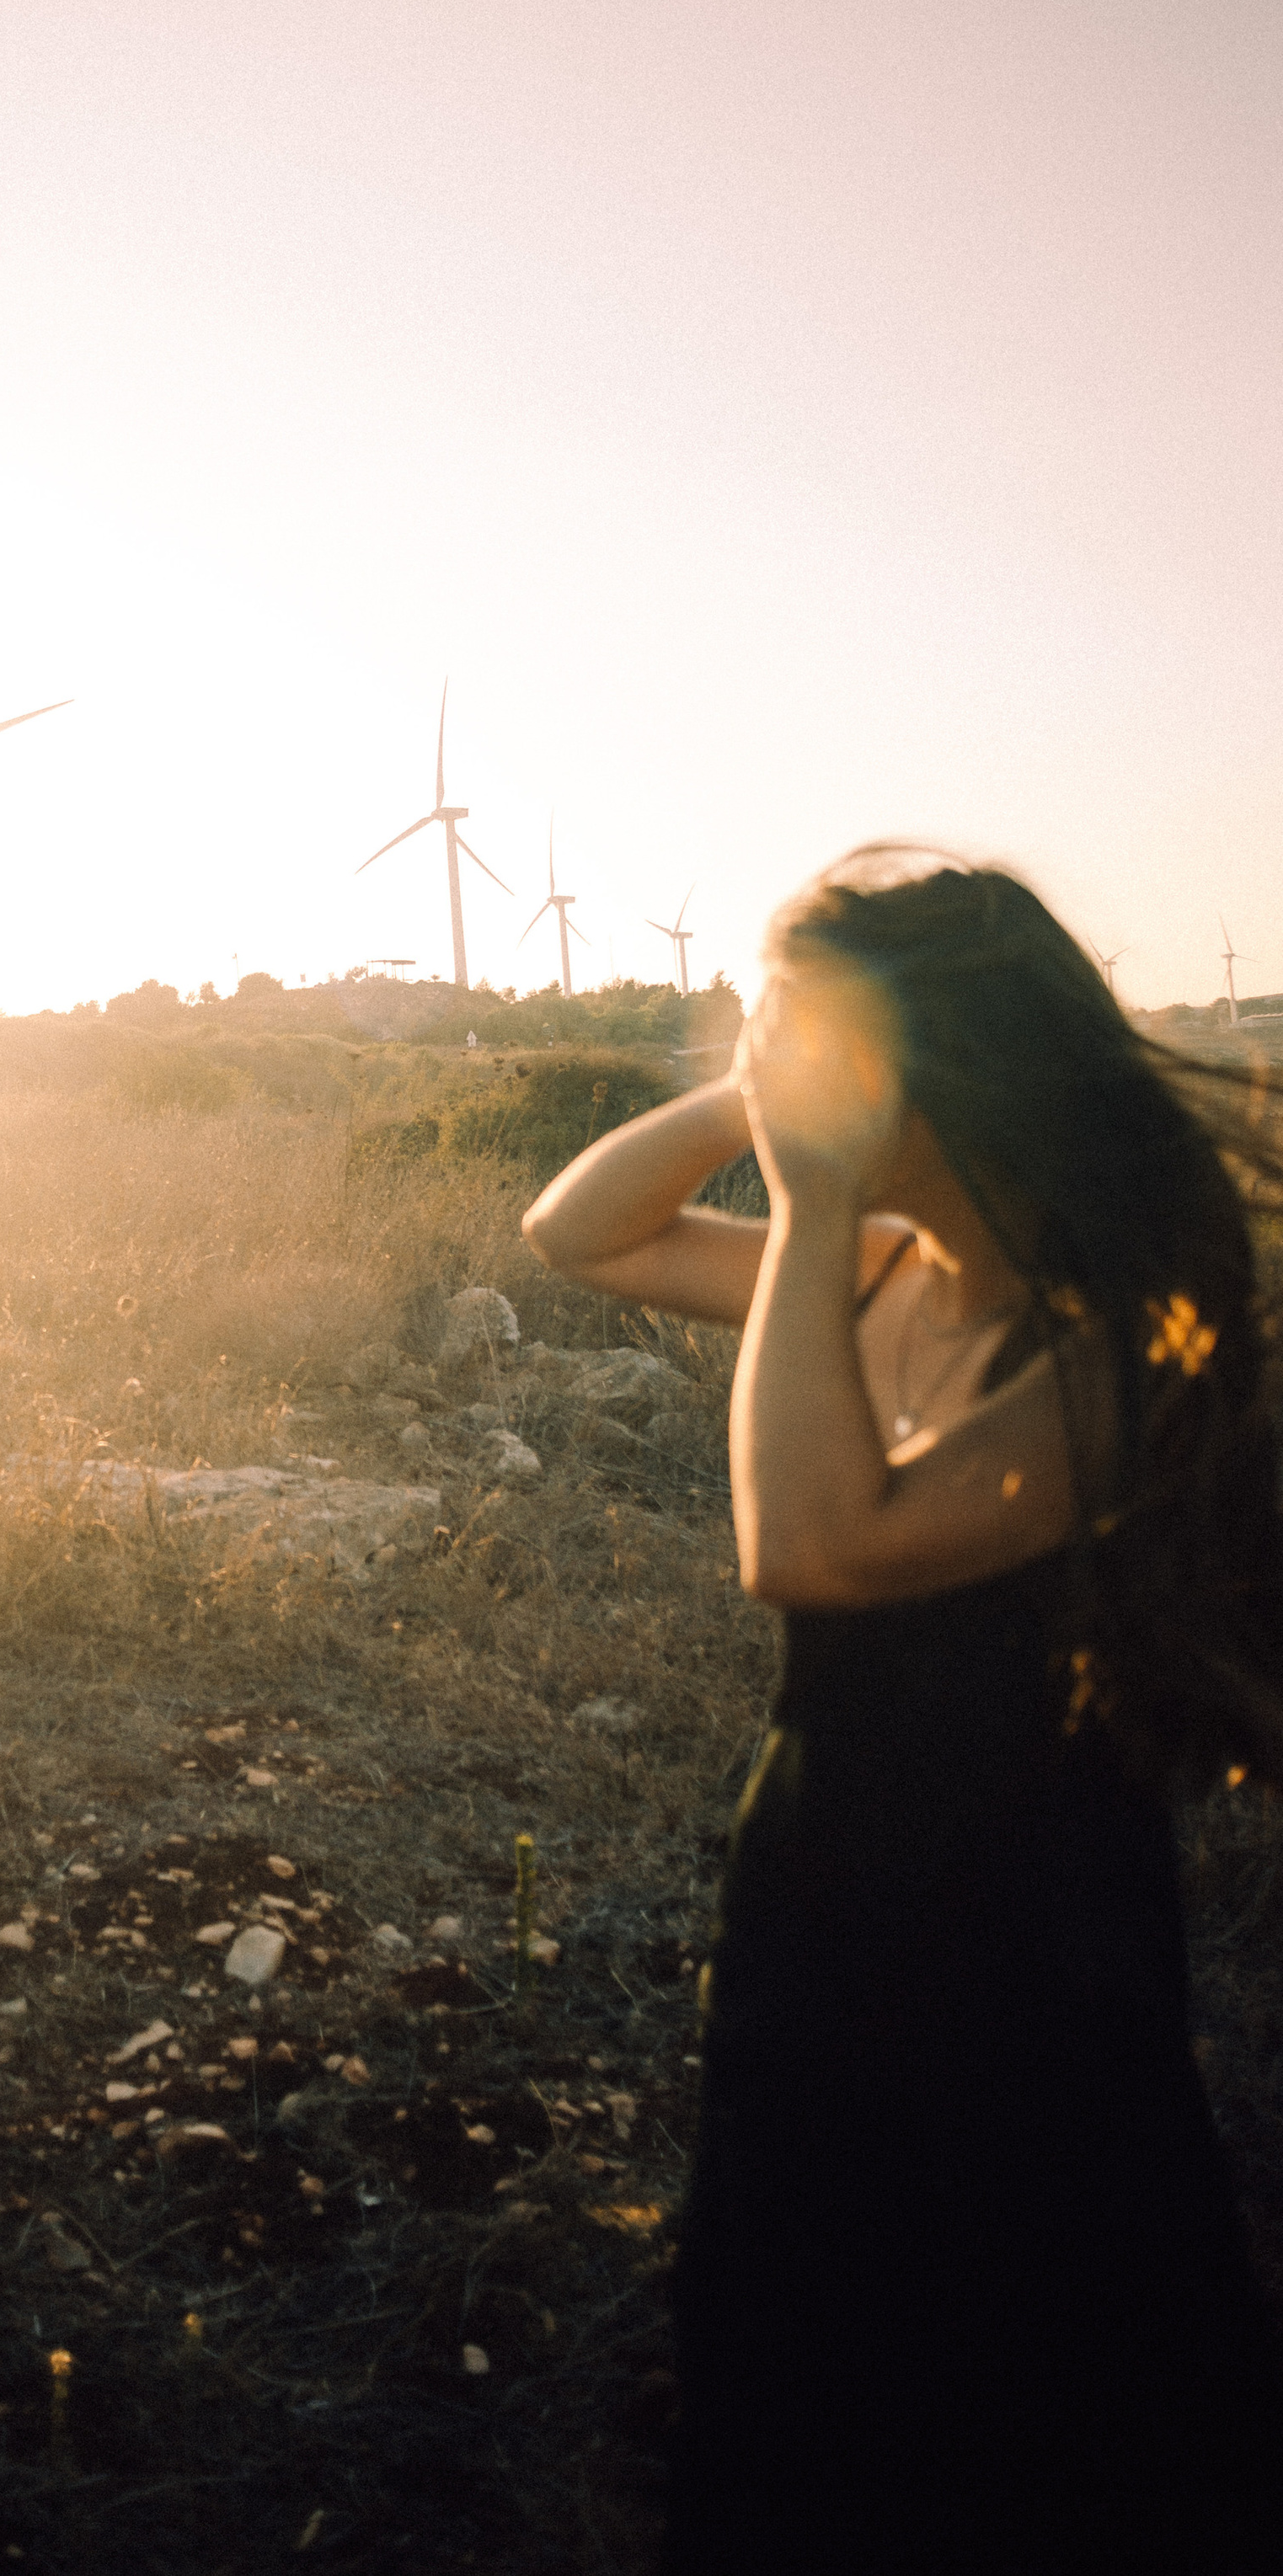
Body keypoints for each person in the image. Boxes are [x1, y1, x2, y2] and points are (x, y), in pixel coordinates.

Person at [521, 854, 1283, 2576]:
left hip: (1018, 1920)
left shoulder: (1110, 1345)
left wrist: (800, 1206)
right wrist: (750, 1087)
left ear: (923, 1066)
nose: (770, 1054)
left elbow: (811, 1548)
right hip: (822, 1863)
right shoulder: (884, 1270)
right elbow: (573, 1233)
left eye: (801, 1029)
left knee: (1022, 2362)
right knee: (804, 2316)